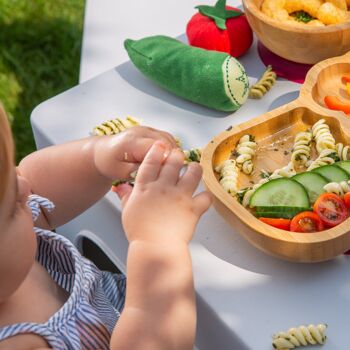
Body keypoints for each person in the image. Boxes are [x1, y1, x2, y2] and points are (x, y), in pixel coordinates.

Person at [0, 104, 212, 350]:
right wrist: (158, 241)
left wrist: (98, 157)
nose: (24, 186)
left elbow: (36, 186)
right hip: (156, 318)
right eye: (14, 204)